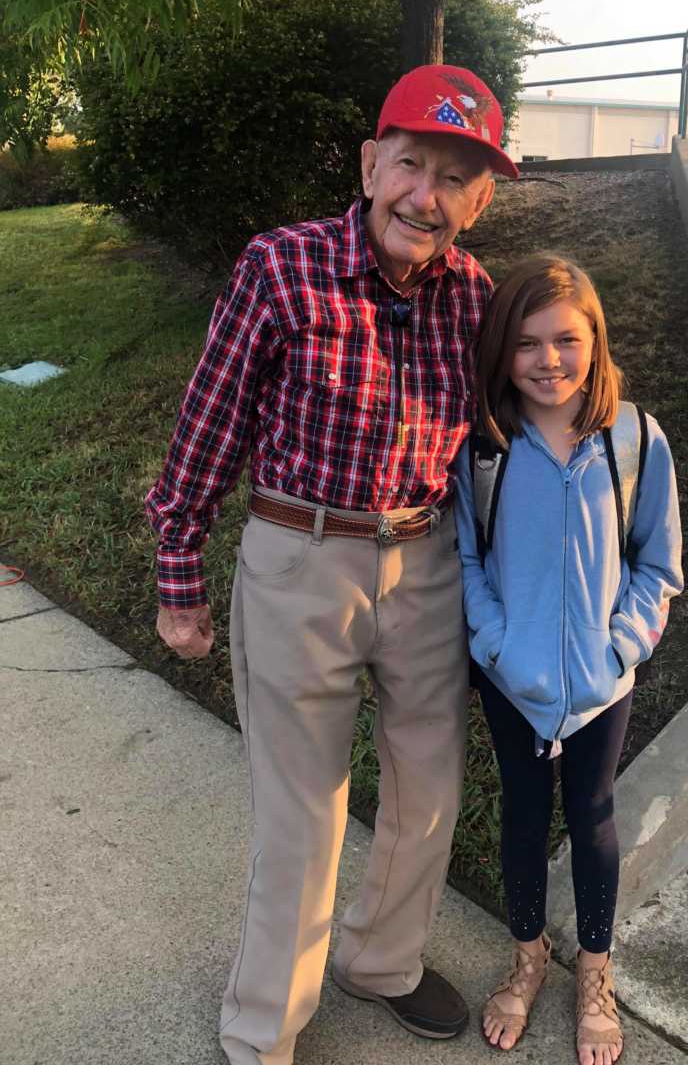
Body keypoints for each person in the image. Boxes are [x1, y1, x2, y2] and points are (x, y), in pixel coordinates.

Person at [145, 63, 518, 1065]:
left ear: (478, 204)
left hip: (426, 559)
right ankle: (265, 1025)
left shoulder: (474, 294)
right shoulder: (283, 266)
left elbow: (527, 420)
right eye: (412, 165)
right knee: (305, 813)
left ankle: (382, 962)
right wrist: (179, 571)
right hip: (299, 558)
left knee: (430, 784)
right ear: (369, 164)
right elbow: (207, 428)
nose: (426, 197)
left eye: (455, 180)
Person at [454, 255, 683, 1065]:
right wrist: (493, 644)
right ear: (499, 354)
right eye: (526, 345)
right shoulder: (484, 448)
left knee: (591, 818)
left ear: (596, 341)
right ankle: (529, 958)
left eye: (566, 340)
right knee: (522, 812)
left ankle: (594, 971)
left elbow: (659, 566)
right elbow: (469, 563)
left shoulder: (637, 441)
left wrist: (616, 650)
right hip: (508, 679)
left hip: (598, 686)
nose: (548, 360)